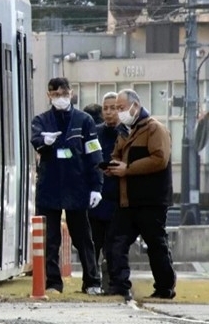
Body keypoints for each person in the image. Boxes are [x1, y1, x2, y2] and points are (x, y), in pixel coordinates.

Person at [30, 77, 103, 295]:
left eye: (63, 93)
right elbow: (35, 139)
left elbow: (94, 154)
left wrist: (96, 187)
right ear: (48, 96)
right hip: (49, 187)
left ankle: (92, 281)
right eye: (55, 94)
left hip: (77, 186)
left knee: (83, 238)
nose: (60, 98)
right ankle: (53, 284)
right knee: (50, 240)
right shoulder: (41, 120)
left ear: (71, 93)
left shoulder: (85, 120)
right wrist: (45, 142)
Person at [104, 89, 176, 300]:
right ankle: (119, 286)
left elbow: (159, 159)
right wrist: (112, 166)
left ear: (135, 106)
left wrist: (129, 168)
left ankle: (165, 288)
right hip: (127, 200)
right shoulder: (125, 131)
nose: (118, 112)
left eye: (121, 107)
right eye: (116, 108)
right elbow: (117, 155)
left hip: (151, 200)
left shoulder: (155, 129)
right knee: (115, 241)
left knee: (156, 244)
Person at [86, 92, 119, 291]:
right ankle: (90, 282)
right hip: (95, 199)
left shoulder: (127, 133)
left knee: (114, 247)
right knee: (92, 244)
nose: (108, 112)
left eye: (113, 108)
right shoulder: (95, 133)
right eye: (105, 108)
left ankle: (113, 284)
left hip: (118, 200)